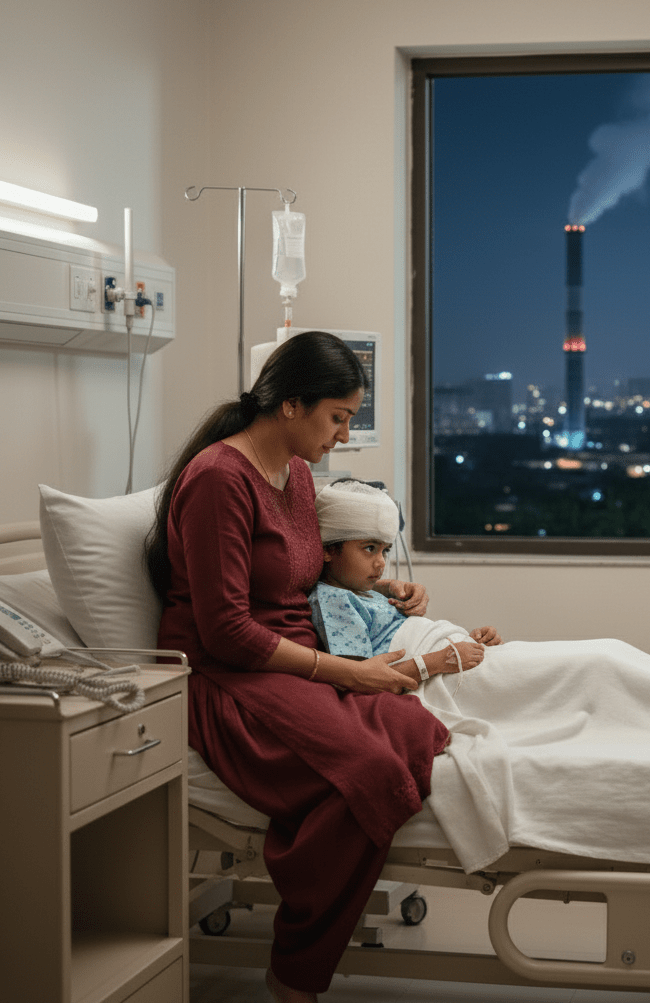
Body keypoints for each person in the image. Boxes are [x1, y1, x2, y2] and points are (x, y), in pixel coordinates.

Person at [146, 331, 450, 1003]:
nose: (344, 434)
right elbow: (227, 631)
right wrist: (348, 674)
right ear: (290, 404)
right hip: (229, 679)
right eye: (337, 417)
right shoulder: (219, 480)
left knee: (417, 732)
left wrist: (382, 590)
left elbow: (299, 578)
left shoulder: (297, 474)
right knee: (372, 773)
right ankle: (296, 969)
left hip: (292, 661)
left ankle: (314, 869)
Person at [308, 479, 501, 686]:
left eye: (385, 551)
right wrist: (440, 660)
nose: (381, 563)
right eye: (370, 548)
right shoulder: (334, 599)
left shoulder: (364, 592)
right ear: (328, 550)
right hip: (439, 668)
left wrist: (471, 641)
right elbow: (362, 678)